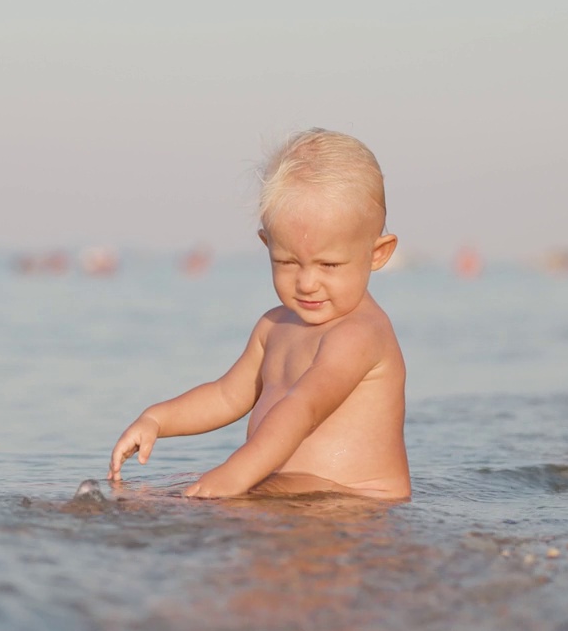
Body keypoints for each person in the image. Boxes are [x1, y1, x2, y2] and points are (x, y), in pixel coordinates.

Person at [108, 128, 409, 500]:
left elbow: (303, 407)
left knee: (213, 508)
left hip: (356, 504)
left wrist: (235, 474)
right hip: (299, 497)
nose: (307, 282)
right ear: (266, 244)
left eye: (329, 265)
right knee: (174, 501)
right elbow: (225, 396)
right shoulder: (274, 326)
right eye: (286, 261)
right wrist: (157, 419)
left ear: (377, 254)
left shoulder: (359, 334)